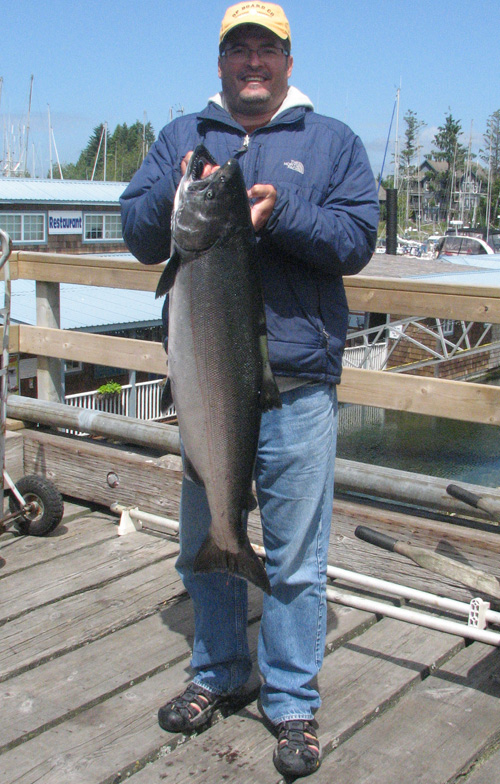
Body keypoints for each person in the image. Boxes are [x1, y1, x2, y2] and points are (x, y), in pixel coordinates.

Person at [120, 2, 379, 777]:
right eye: (240, 50)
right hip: (208, 387)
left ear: (289, 64)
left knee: (298, 558)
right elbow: (138, 236)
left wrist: (282, 212)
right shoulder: (181, 139)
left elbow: (356, 240)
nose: (253, 64)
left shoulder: (333, 141)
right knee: (205, 543)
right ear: (222, 62)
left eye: (268, 50)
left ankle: (293, 700)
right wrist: (175, 184)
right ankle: (218, 671)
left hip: (298, 386)